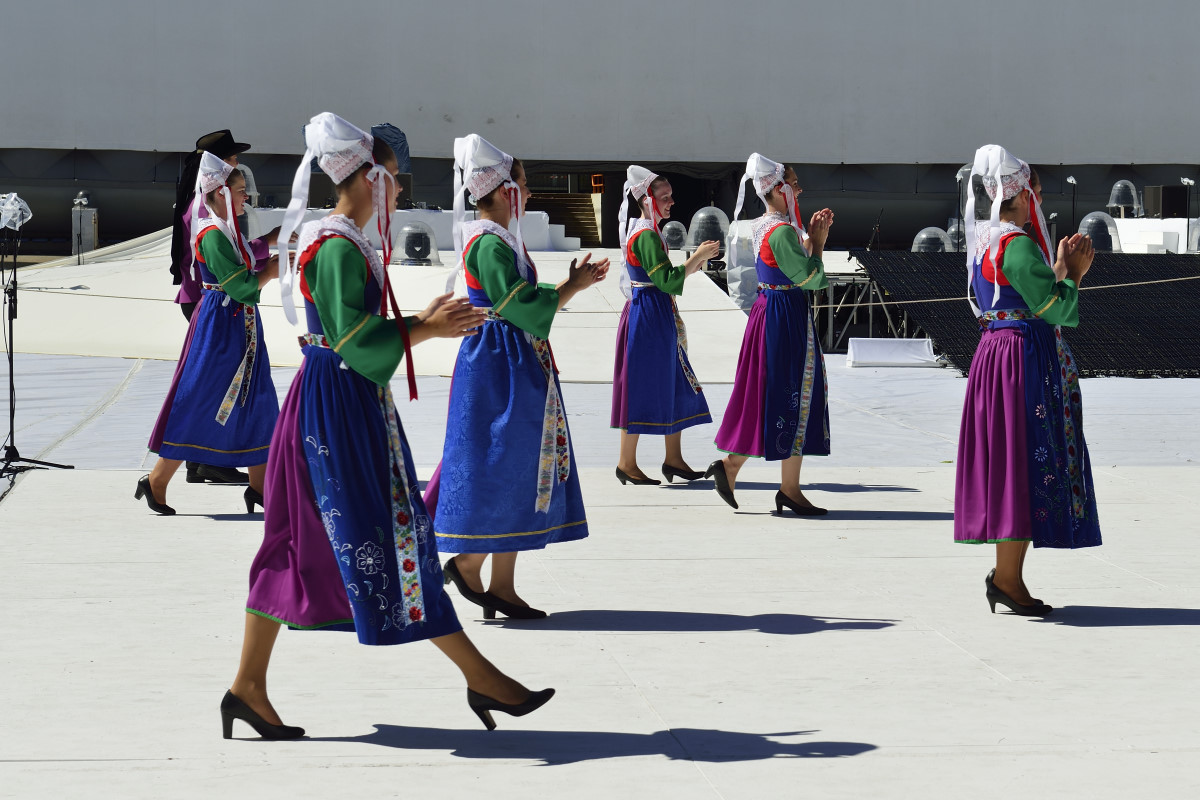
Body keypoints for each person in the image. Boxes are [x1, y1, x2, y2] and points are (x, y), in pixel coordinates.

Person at [226, 114, 553, 740]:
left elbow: (350, 336)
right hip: (339, 406)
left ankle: (247, 686)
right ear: (370, 177)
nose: (400, 193)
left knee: (304, 539)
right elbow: (351, 340)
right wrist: (427, 328)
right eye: (396, 180)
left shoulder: (342, 240)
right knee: (395, 533)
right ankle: (480, 677)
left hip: (338, 402)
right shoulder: (340, 245)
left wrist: (424, 321)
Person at [426, 134, 607, 621]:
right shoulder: (488, 241)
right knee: (504, 461)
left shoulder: (499, 240)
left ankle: (500, 583)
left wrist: (569, 286)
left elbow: (517, 301)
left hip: (512, 360)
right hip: (500, 365)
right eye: (523, 185)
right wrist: (570, 286)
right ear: (506, 191)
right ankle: (470, 562)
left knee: (520, 465)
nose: (527, 193)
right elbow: (515, 306)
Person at [954, 144, 1101, 616]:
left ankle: (1008, 578)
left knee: (1013, 462)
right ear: (1022, 193)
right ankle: (1006, 579)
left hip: (998, 354)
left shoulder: (986, 239)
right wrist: (1074, 276)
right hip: (1022, 360)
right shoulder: (1015, 244)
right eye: (1035, 188)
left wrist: (1057, 270)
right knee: (1022, 459)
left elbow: (1019, 296)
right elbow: (1054, 308)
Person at [140, 152, 280, 515]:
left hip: (240, 326)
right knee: (200, 402)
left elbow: (246, 264)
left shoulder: (226, 231)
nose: (245, 196)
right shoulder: (213, 235)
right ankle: (156, 480)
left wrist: (271, 251)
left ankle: (261, 487)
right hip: (219, 330)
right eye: (240, 190)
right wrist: (273, 271)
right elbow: (241, 286)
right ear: (219, 193)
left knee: (257, 397)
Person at [711, 154, 834, 514]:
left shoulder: (770, 225)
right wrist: (820, 242)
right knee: (789, 392)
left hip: (776, 311)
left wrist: (812, 238)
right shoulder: (780, 231)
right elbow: (810, 278)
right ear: (779, 189)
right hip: (784, 316)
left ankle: (783, 485)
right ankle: (755, 474)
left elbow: (795, 265)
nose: (798, 188)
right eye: (794, 182)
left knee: (782, 394)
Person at [169, 129, 281, 486]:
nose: (237, 168)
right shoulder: (206, 211)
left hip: (220, 299)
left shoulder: (210, 205)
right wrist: (265, 257)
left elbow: (236, 255)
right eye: (231, 160)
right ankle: (195, 461)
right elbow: (225, 262)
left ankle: (220, 464)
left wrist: (265, 245)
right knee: (209, 384)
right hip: (212, 301)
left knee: (234, 385)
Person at [610, 165, 719, 486]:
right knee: (643, 385)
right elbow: (667, 280)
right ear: (647, 199)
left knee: (673, 381)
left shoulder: (648, 231)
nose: (671, 202)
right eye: (665, 197)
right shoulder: (644, 235)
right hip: (649, 317)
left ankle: (673, 459)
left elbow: (661, 278)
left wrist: (691, 265)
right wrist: (696, 256)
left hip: (654, 313)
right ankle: (626, 462)